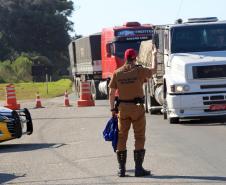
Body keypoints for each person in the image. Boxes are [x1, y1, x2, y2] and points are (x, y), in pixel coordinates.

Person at [108, 48, 157, 177]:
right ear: (135, 58)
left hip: (123, 108)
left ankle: (121, 170)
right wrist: (154, 55)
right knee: (139, 137)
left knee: (122, 136)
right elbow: (154, 70)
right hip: (137, 108)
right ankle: (138, 169)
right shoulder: (139, 71)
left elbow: (111, 93)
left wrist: (112, 109)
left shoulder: (117, 73)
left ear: (125, 58)